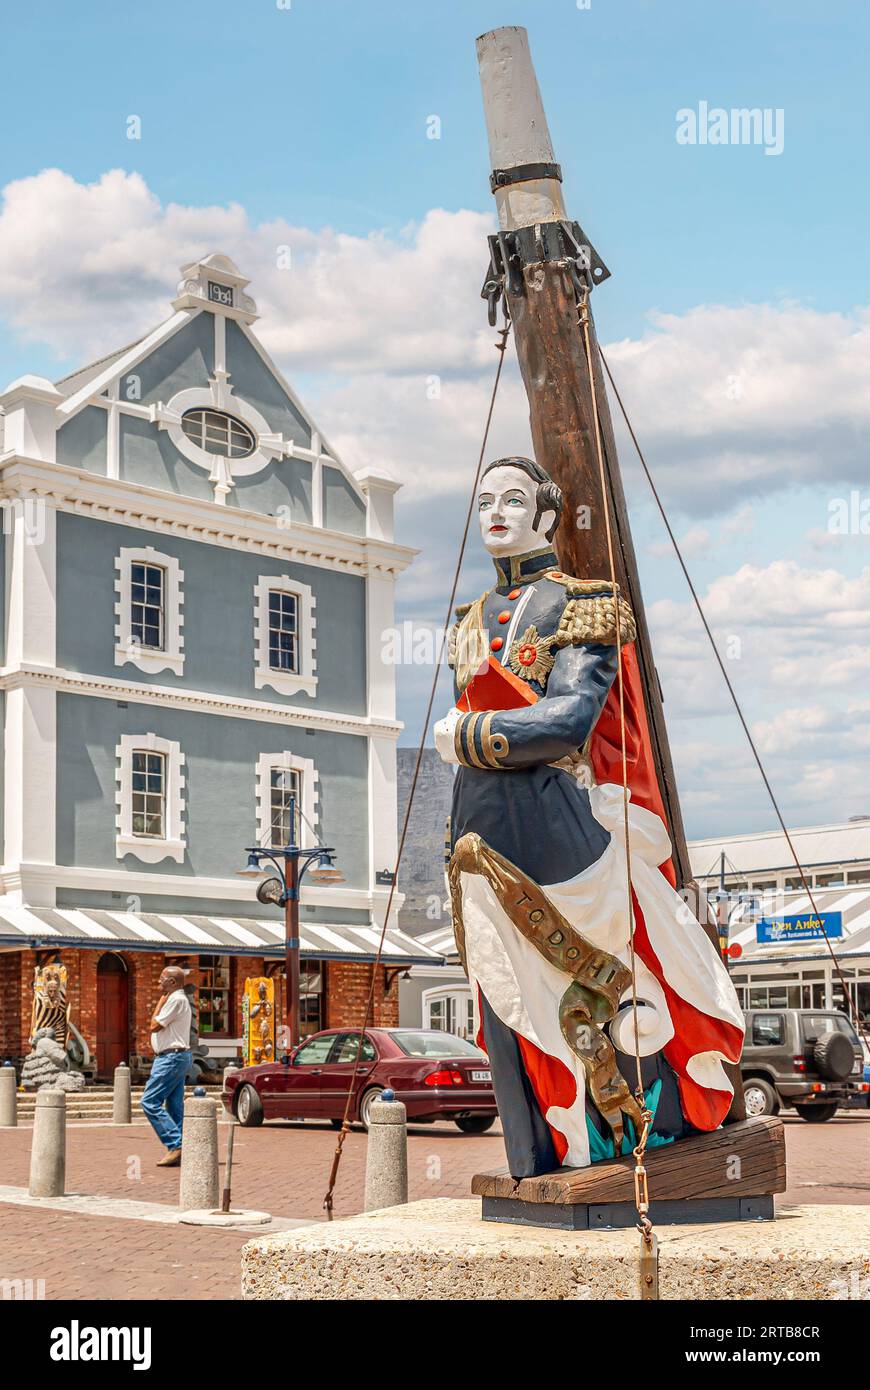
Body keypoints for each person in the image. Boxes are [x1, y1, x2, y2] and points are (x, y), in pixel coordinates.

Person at [434, 455, 744, 1178]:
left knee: (597, 982)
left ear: (546, 514)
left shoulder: (583, 604)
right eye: (483, 502)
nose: (495, 514)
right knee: (506, 996)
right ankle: (540, 1151)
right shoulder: (468, 619)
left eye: (512, 500)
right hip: (477, 832)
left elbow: (570, 720)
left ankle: (623, 1132)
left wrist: (467, 737)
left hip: (554, 824)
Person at [140, 966, 193, 1167]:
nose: (158, 982)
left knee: (149, 1101)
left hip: (171, 1058)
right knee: (174, 1105)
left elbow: (154, 1025)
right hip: (175, 1057)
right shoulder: (177, 998)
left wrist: (160, 1002)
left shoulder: (176, 999)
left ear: (172, 982)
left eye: (162, 979)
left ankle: (175, 1144)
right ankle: (184, 1147)